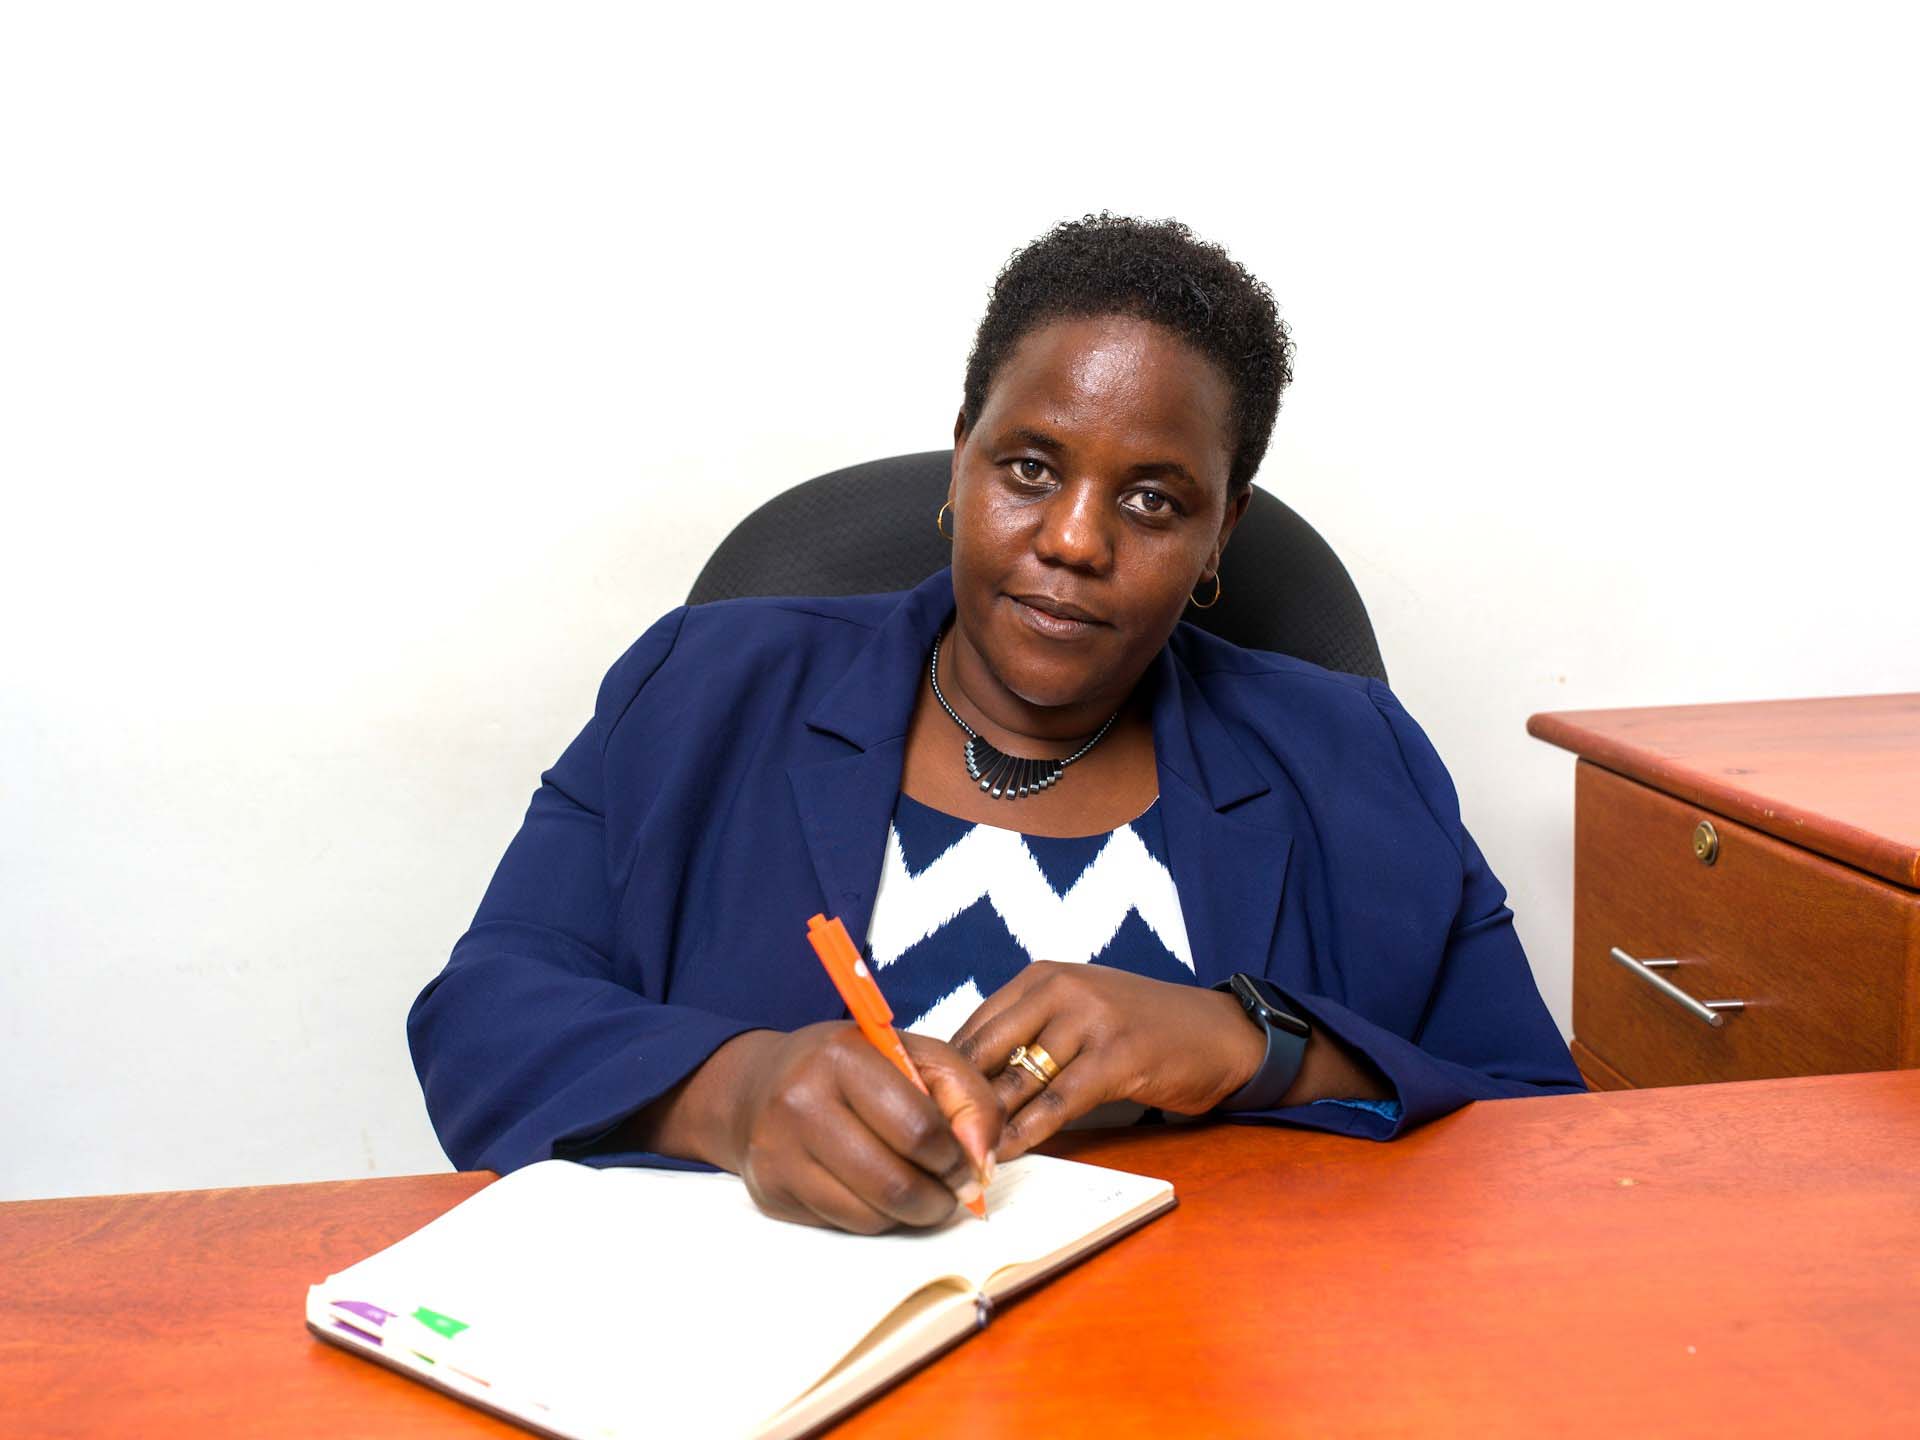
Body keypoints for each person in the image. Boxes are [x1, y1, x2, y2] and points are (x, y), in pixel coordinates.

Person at [409, 214, 1584, 1235]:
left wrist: (1252, 1046)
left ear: (1222, 531)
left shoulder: (1354, 755)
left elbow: (1542, 1129)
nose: (1074, 539)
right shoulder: (704, 688)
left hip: (1205, 1371)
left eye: (1153, 499)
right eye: (1029, 467)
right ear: (963, 450)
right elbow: (482, 1020)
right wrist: (738, 1092)